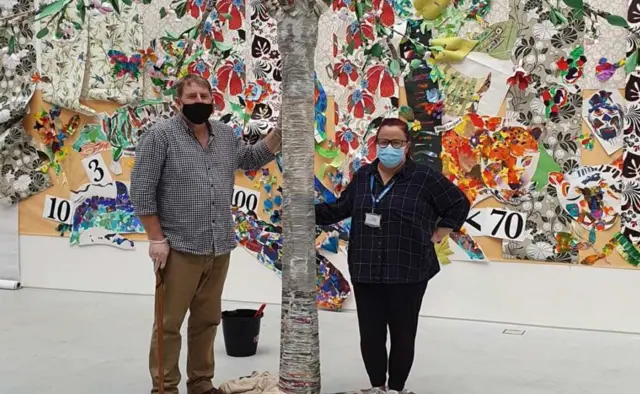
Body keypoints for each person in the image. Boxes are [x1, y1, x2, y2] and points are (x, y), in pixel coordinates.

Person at [130, 74, 281, 394]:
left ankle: (200, 383)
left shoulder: (225, 135)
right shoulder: (160, 137)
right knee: (169, 325)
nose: (198, 101)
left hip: (218, 245)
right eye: (191, 96)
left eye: (204, 96)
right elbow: (142, 191)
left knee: (207, 321)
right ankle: (165, 387)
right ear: (178, 102)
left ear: (213, 101)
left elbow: (251, 158)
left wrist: (280, 134)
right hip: (179, 247)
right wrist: (156, 238)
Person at [315, 118, 470, 394]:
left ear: (407, 146)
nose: (389, 147)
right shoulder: (364, 175)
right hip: (366, 269)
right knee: (371, 336)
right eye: (383, 142)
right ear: (375, 144)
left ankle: (396, 389)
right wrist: (304, 207)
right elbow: (340, 208)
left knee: (402, 335)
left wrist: (441, 232)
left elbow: (458, 203)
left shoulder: (424, 177)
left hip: (408, 271)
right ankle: (377, 387)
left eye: (396, 142)